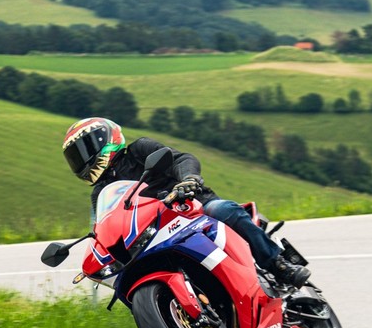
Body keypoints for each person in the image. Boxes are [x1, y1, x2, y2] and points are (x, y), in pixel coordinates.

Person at [61, 116, 311, 288]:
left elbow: (181, 159)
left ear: (107, 139)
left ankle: (278, 265)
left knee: (221, 209)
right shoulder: (100, 193)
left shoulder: (139, 150)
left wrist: (189, 179)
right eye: (76, 156)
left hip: (192, 208)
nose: (83, 160)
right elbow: (103, 226)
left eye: (86, 149)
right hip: (155, 232)